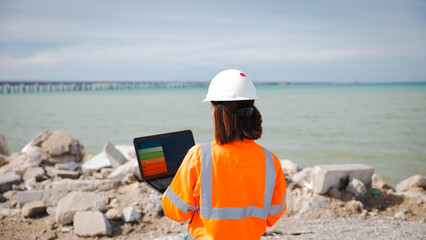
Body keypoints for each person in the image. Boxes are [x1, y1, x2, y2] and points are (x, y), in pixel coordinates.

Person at [162, 69, 286, 239]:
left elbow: (176, 212)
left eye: (212, 107)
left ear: (219, 113)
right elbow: (274, 213)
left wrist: (172, 188)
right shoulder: (270, 160)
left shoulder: (199, 156)